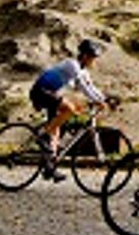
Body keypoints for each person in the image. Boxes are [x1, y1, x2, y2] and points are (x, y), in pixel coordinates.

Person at [30, 38, 110, 166]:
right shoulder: (72, 65)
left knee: (57, 128)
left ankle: (50, 165)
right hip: (41, 91)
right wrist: (97, 101)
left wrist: (104, 99)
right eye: (92, 57)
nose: (93, 61)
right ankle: (44, 136)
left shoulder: (83, 71)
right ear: (84, 56)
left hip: (50, 93)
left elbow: (91, 87)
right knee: (69, 109)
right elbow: (83, 87)